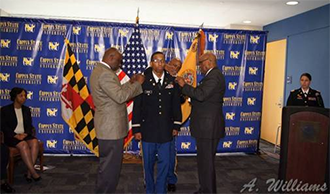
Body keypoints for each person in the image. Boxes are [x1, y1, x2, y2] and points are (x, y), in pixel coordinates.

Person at [90, 47, 145, 194]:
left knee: (109, 166)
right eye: (119, 61)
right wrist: (138, 83)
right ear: (111, 57)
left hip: (109, 128)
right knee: (110, 167)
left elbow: (115, 92)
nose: (120, 65)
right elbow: (120, 97)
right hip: (110, 129)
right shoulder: (105, 74)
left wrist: (130, 82)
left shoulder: (101, 71)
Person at [132, 51, 182, 194]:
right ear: (151, 63)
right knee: (147, 164)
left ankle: (161, 190)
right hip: (148, 131)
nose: (159, 63)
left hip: (166, 131)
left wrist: (176, 125)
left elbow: (175, 105)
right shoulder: (143, 80)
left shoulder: (171, 81)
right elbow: (137, 106)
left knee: (165, 164)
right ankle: (149, 190)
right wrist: (137, 129)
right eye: (156, 60)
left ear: (165, 63)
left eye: (162, 61)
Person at [176, 52, 226, 194]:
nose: (200, 67)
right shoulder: (211, 76)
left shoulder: (214, 76)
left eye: (201, 64)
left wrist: (184, 85)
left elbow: (201, 95)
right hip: (206, 127)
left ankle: (208, 191)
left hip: (208, 127)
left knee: (206, 163)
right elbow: (203, 97)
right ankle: (205, 189)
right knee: (204, 162)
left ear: (209, 62)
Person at [0, 87, 41, 183]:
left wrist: (25, 134)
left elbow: (29, 125)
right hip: (11, 137)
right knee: (23, 145)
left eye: (25, 96)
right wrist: (15, 135)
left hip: (24, 135)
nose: (23, 98)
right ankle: (33, 172)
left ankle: (29, 173)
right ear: (15, 97)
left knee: (34, 142)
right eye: (21, 96)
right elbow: (3, 126)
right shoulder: (5, 110)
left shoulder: (26, 110)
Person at [164, 58, 183, 192]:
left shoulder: (177, 81)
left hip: (169, 124)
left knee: (170, 154)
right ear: (168, 64)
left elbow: (181, 100)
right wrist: (165, 67)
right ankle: (150, 180)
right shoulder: (155, 75)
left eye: (178, 66)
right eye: (173, 64)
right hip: (154, 123)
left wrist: (180, 86)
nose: (174, 67)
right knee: (151, 155)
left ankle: (171, 179)